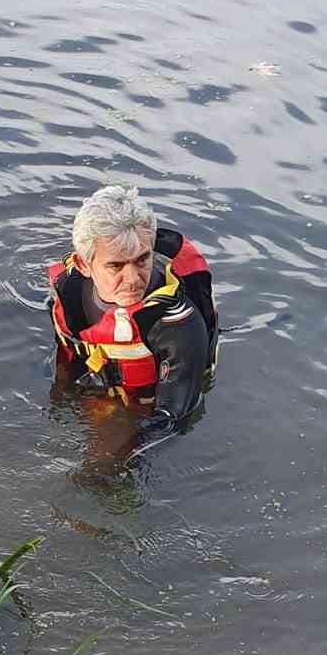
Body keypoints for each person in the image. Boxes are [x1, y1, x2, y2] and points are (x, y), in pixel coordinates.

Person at [48, 184, 218, 456]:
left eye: (142, 260)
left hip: (148, 409)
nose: (133, 279)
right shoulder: (70, 295)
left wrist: (119, 454)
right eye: (115, 266)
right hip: (101, 388)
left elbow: (172, 418)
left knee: (102, 470)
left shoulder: (177, 323)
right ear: (83, 265)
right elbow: (67, 359)